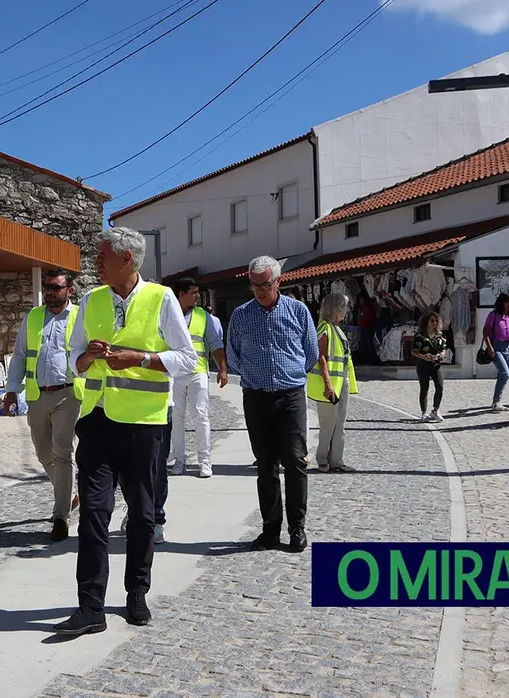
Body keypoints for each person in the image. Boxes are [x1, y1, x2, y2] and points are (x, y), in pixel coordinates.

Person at [52, 226, 196, 636]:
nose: (95, 262)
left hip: (143, 424)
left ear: (127, 258)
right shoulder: (92, 300)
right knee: (95, 514)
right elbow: (72, 358)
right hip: (97, 422)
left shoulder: (161, 297)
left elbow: (187, 359)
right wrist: (85, 359)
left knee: (142, 514)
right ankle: (90, 607)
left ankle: (136, 593)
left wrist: (142, 358)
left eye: (101, 256)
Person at [226, 255, 317, 554]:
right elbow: (234, 356)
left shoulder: (298, 311)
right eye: (254, 286)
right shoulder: (240, 315)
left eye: (265, 285)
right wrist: (256, 376)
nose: (260, 291)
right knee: (265, 466)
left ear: (278, 281)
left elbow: (310, 353)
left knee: (295, 462)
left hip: (290, 396)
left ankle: (297, 528)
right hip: (257, 397)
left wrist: (288, 374)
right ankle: (270, 529)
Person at [4, 269, 83, 542]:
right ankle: (69, 494)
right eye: (47, 288)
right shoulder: (34, 317)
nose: (50, 292)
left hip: (69, 395)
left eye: (56, 288)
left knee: (63, 453)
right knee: (43, 453)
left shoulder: (80, 317)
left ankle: (60, 517)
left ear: (69, 290)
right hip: (38, 395)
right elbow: (20, 354)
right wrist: (12, 390)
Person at [168, 277, 228, 479]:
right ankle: (180, 460)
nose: (197, 296)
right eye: (193, 292)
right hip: (175, 374)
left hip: (197, 372)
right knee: (177, 418)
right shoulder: (168, 314)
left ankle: (205, 461)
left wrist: (222, 369)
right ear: (181, 295)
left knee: (200, 415)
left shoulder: (203, 316)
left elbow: (215, 344)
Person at [307, 292, 357, 472]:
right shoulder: (324, 328)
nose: (347, 310)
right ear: (336, 308)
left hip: (341, 382)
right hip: (330, 384)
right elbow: (321, 357)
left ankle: (337, 460)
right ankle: (322, 459)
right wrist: (328, 384)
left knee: (340, 424)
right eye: (344, 306)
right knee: (328, 425)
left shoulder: (338, 329)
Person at [481, 293, 509, 412]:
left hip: (507, 347)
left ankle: (497, 400)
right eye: (508, 302)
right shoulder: (493, 315)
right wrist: (490, 347)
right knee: (505, 373)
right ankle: (496, 402)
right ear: (502, 303)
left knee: (501, 374)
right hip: (496, 347)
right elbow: (485, 333)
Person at [412, 311, 448, 422]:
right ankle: (423, 413)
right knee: (424, 388)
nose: (434, 323)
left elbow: (444, 348)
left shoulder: (439, 335)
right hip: (423, 365)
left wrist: (442, 354)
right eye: (432, 321)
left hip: (436, 365)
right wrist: (424, 356)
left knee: (440, 386)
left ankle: (435, 410)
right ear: (426, 322)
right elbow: (414, 351)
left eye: (436, 321)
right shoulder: (419, 336)